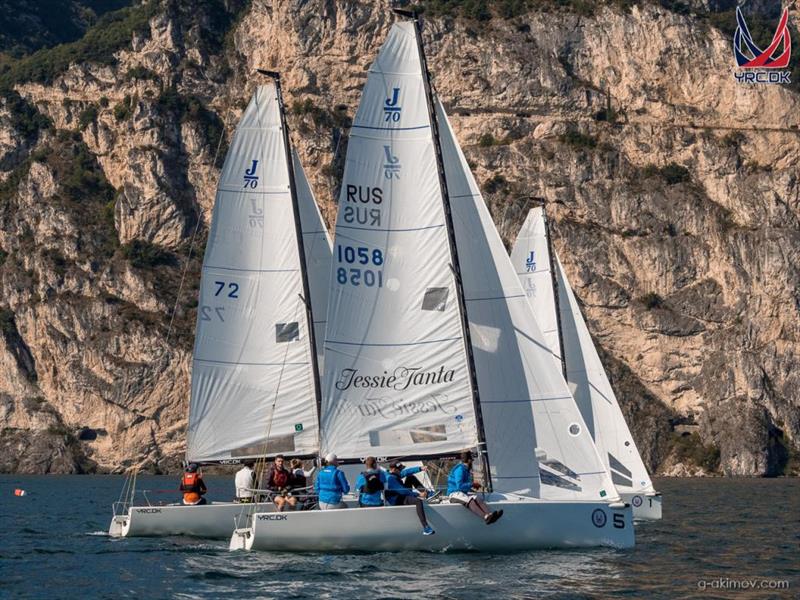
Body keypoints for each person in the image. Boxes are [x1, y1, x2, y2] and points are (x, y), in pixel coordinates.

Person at [447, 451, 502, 524]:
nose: (472, 462)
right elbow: (459, 486)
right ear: (469, 460)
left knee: (477, 498)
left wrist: (472, 486)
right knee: (470, 500)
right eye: (472, 460)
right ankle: (486, 517)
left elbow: (464, 486)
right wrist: (472, 484)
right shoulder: (460, 469)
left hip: (461, 493)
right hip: (453, 494)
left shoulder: (465, 469)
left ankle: (490, 514)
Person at [385, 461, 435, 536]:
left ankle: (428, 494)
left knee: (410, 477)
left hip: (400, 495)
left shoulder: (394, 474)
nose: (401, 471)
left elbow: (406, 472)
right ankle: (426, 528)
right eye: (400, 469)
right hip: (396, 500)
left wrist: (419, 468)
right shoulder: (390, 478)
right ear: (394, 470)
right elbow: (402, 491)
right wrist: (418, 494)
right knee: (418, 501)